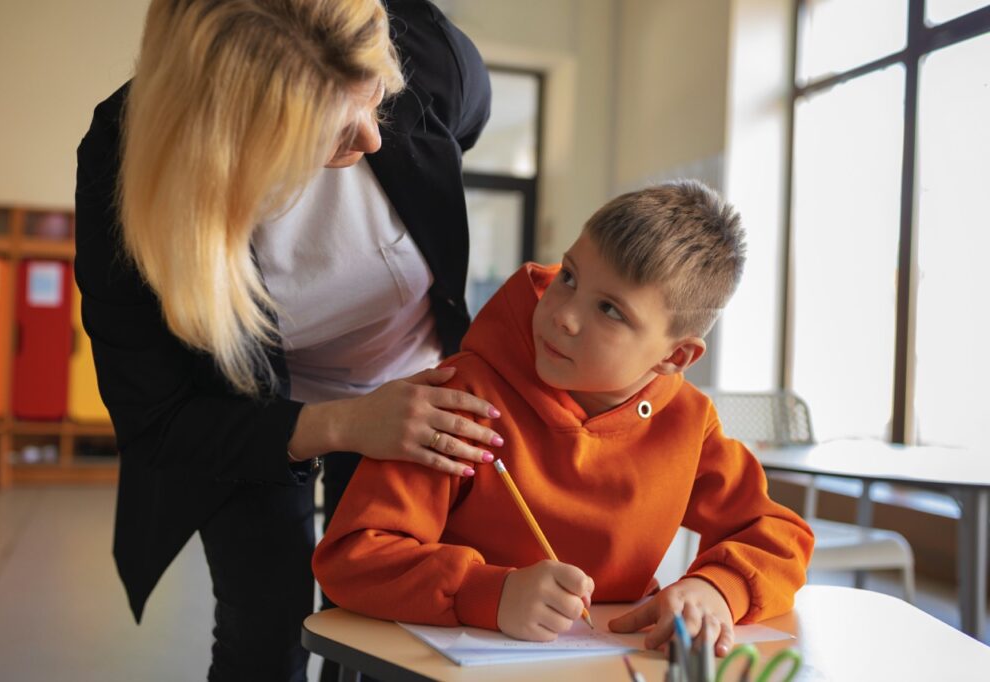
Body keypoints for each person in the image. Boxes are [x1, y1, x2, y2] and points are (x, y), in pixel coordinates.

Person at [74, 1, 495, 679]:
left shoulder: (429, 53)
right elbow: (157, 419)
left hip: (409, 382)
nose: (373, 139)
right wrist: (342, 423)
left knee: (388, 623)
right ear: (231, 138)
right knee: (265, 627)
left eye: (375, 98)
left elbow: (455, 136)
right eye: (330, 130)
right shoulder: (122, 162)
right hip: (242, 411)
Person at [313, 180, 815, 656]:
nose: (564, 316)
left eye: (610, 311)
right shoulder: (458, 399)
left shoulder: (688, 421)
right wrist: (488, 592)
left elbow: (776, 535)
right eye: (569, 277)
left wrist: (718, 589)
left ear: (675, 357)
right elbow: (352, 559)